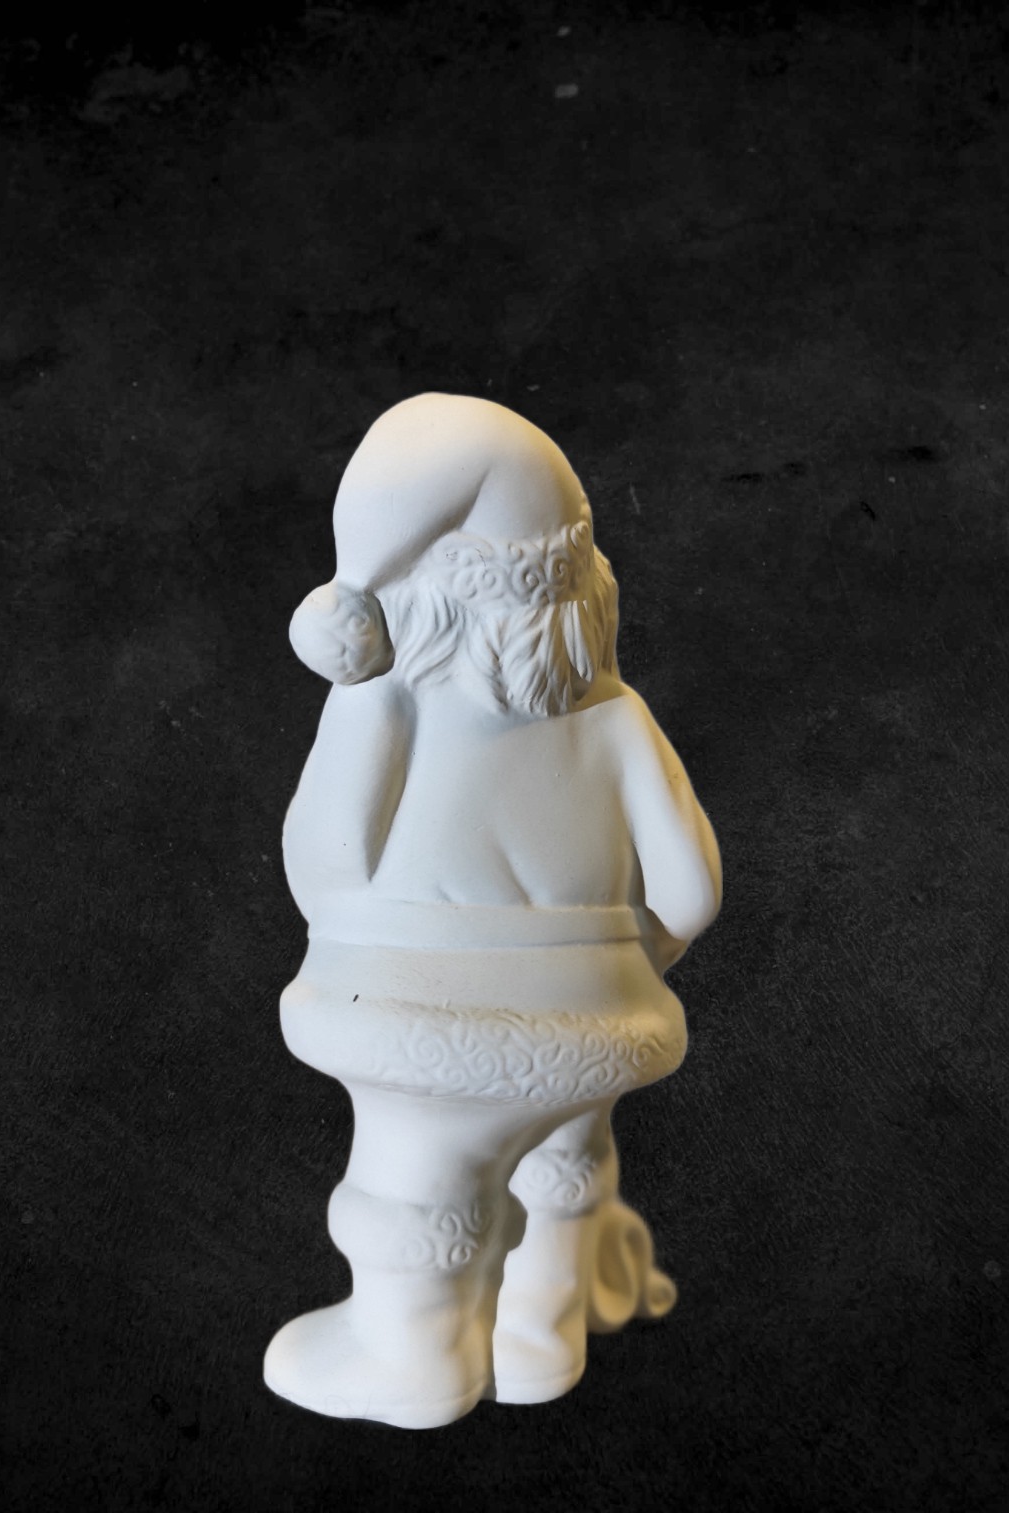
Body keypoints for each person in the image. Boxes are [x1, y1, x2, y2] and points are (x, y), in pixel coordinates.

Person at [265, 393, 722, 1428]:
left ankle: (414, 1356)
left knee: (416, 1179)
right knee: (566, 1160)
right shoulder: (619, 720)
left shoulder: (384, 702)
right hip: (602, 1025)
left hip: (430, 1033)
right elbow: (692, 891)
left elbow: (328, 864)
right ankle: (541, 1334)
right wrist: (619, 965)